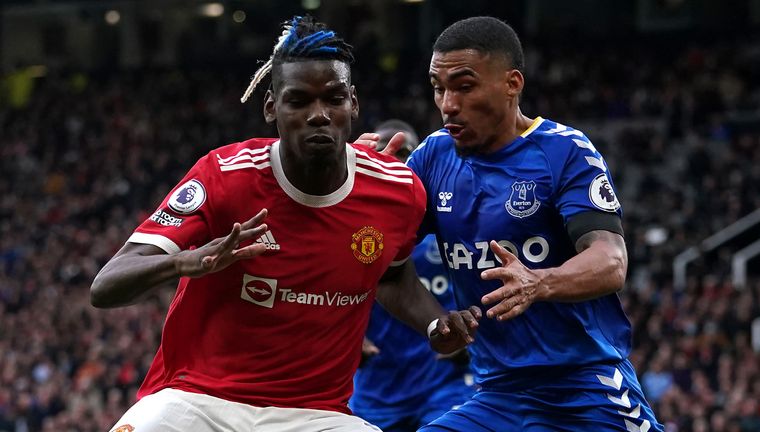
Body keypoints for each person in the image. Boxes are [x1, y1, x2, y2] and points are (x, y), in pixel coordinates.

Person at [90, 16, 480, 432]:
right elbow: (106, 285)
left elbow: (393, 277)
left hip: (317, 415)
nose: (318, 115)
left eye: (332, 99)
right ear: (271, 106)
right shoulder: (223, 174)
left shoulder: (398, 190)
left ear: (353, 103)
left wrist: (436, 323)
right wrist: (184, 263)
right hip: (198, 401)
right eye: (298, 101)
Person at [380, 16, 664, 431]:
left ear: (512, 83)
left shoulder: (564, 151)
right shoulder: (431, 158)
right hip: (497, 396)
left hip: (588, 388)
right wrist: (433, 320)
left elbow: (610, 260)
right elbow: (386, 269)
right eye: (438, 87)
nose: (447, 104)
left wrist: (539, 282)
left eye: (464, 86)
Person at [350, 120, 475, 432]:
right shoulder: (352, 233)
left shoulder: (450, 228)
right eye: (385, 153)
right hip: (376, 385)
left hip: (441, 383)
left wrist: (472, 338)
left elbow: (485, 290)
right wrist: (350, 338)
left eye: (407, 154)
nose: (399, 162)